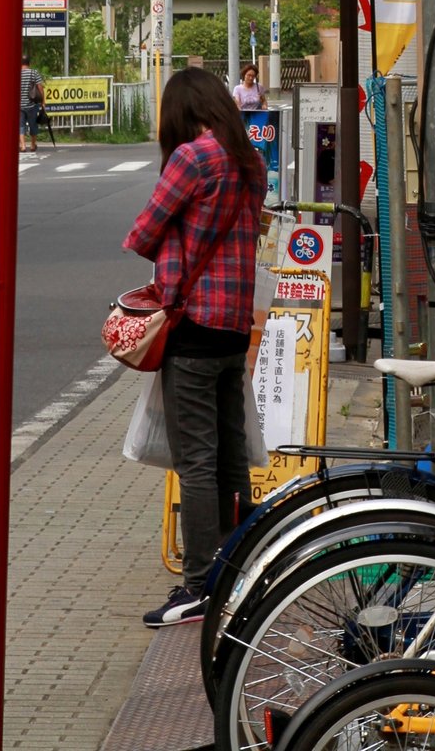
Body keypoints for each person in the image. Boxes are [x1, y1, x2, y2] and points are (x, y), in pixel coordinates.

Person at [124, 65, 266, 627]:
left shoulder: (192, 157)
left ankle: (201, 584)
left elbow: (142, 232)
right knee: (230, 453)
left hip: (192, 323)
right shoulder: (249, 159)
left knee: (197, 461)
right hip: (235, 326)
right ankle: (238, 567)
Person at [20, 56, 44, 153]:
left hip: (20, 105)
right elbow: (40, 88)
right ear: (29, 63)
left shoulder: (16, 73)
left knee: (21, 126)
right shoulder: (34, 73)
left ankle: (23, 146)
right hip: (32, 105)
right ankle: (33, 145)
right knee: (33, 124)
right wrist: (43, 102)